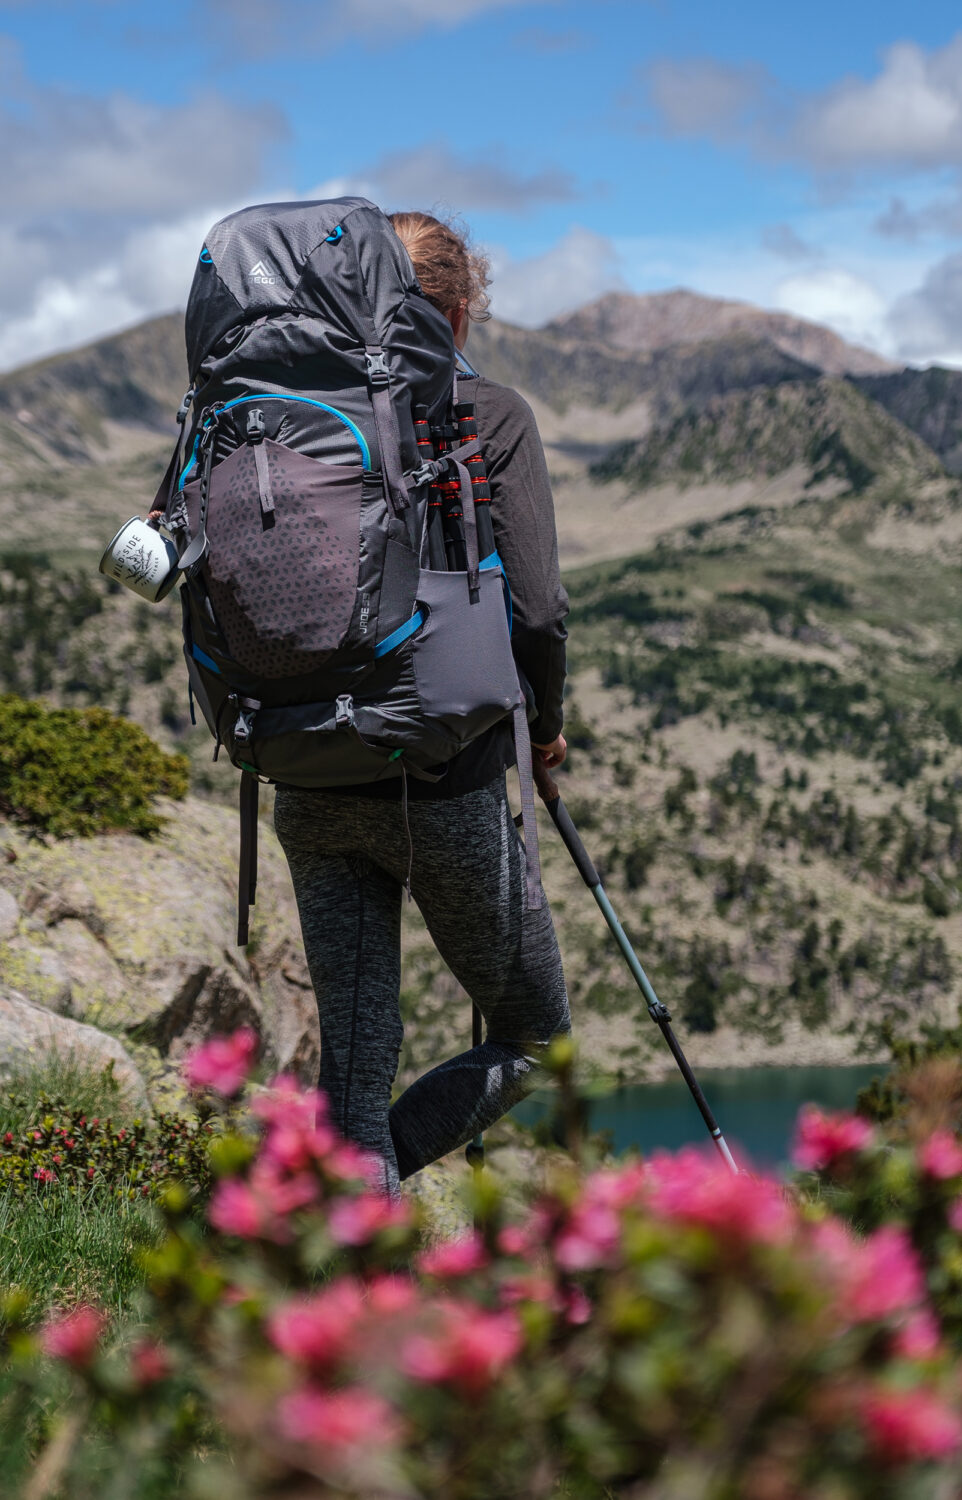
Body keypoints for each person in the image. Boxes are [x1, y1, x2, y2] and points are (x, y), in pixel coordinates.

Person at [272, 211, 571, 1197]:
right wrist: (552, 727)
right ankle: (361, 1204)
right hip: (443, 785)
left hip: (305, 768)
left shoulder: (273, 413)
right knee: (534, 1040)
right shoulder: (487, 414)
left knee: (352, 1071)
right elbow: (538, 612)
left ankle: (338, 1231)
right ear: (455, 309)